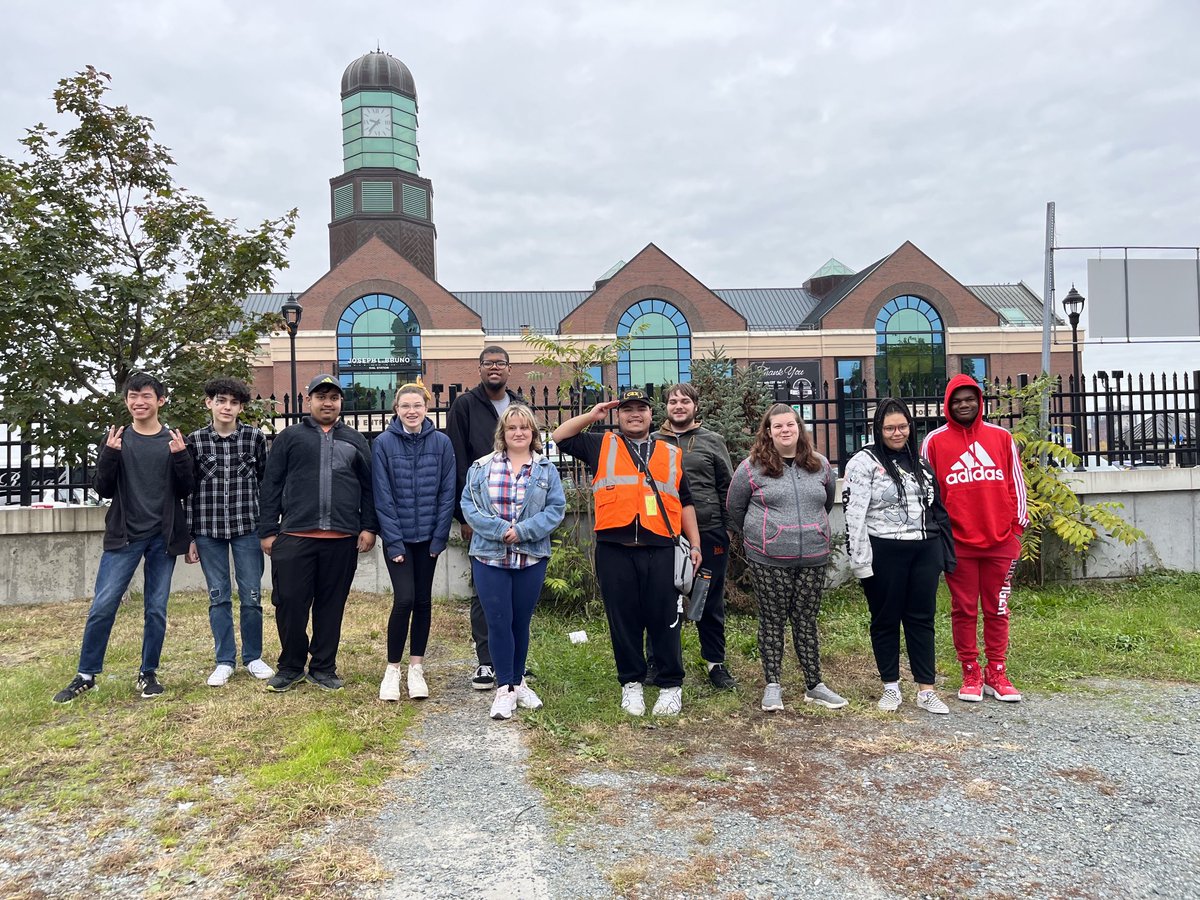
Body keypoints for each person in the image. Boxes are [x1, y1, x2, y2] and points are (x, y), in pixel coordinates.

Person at [552, 389, 703, 717]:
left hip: (661, 547)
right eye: (627, 410)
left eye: (641, 410)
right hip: (614, 550)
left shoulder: (669, 452)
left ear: (651, 415)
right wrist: (593, 416)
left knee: (665, 619)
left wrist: (695, 544)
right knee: (623, 621)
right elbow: (559, 437)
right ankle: (631, 685)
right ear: (618, 416)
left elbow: (685, 501)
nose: (635, 415)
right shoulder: (601, 444)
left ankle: (669, 685)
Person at [53, 373, 194, 703]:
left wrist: (181, 456)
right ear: (127, 400)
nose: (139, 401)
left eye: (146, 395)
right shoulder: (117, 438)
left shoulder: (172, 439)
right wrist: (110, 454)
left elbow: (186, 489)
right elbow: (102, 488)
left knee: (156, 609)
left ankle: (148, 674)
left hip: (162, 537)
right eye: (133, 395)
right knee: (103, 605)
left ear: (161, 400)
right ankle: (86, 674)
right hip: (125, 535)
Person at [258, 374, 377, 692]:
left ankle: (323, 667)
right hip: (295, 537)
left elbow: (369, 488)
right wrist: (268, 530)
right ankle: (291, 666)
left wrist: (368, 527)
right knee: (290, 604)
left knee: (331, 605)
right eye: (321, 396)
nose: (328, 402)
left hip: (341, 539)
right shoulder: (290, 438)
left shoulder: (355, 440)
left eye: (334, 397)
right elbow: (271, 486)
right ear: (308, 400)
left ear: (341, 403)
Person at [727, 403, 846, 712]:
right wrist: (764, 535)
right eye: (777, 426)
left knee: (806, 620)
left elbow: (828, 498)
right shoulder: (751, 467)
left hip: (814, 557)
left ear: (799, 428)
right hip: (768, 558)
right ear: (768, 431)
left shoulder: (819, 465)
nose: (785, 430)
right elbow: (735, 507)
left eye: (790, 425)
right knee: (772, 620)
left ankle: (814, 685)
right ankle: (773, 685)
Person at [842, 397, 955, 715]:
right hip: (884, 552)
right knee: (886, 620)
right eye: (889, 427)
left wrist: (942, 553)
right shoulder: (862, 463)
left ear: (910, 427)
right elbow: (854, 515)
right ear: (878, 429)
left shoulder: (919, 462)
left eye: (902, 426)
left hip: (923, 551)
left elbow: (935, 508)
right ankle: (890, 687)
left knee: (922, 619)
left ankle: (926, 689)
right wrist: (860, 562)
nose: (896, 433)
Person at [922, 374, 1028, 703]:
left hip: (1000, 541)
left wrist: (1016, 529)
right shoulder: (935, 442)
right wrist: (937, 536)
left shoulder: (1001, 437)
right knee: (964, 610)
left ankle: (997, 671)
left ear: (979, 402)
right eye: (957, 400)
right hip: (958, 546)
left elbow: (1016, 484)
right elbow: (928, 493)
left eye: (970, 399)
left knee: (997, 609)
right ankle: (971, 671)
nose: (964, 405)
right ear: (948, 405)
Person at [460, 404, 566, 720]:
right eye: (511, 428)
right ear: (502, 434)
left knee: (520, 621)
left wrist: (521, 531)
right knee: (497, 621)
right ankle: (504, 689)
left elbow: (555, 509)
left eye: (524, 428)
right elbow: (469, 506)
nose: (518, 433)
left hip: (530, 556)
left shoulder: (545, 469)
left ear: (533, 432)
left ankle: (518, 682)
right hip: (489, 557)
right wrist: (500, 530)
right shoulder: (481, 468)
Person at [185, 377, 274, 687]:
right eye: (221, 400)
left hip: (247, 528)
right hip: (208, 530)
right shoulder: (194, 441)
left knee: (251, 595)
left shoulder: (254, 439)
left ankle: (253, 657)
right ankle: (224, 660)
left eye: (233, 402)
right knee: (218, 595)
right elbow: (187, 491)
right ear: (209, 403)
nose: (227, 407)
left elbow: (266, 484)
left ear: (241, 408)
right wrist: (190, 536)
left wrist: (269, 528)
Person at [372, 383, 456, 702]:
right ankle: (392, 670)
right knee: (404, 600)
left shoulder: (442, 443)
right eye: (405, 405)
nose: (411, 411)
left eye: (417, 405)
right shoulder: (382, 444)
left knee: (423, 602)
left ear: (426, 407)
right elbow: (382, 496)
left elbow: (447, 493)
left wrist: (438, 538)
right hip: (400, 540)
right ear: (396, 409)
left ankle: (416, 668)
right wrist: (393, 542)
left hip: (428, 542)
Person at [446, 345, 521, 692]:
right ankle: (486, 662)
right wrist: (463, 515)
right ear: (479, 369)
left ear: (509, 369)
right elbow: (457, 459)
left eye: (500, 363)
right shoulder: (464, 405)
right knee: (484, 589)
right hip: (480, 512)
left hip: (519, 514)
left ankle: (515, 661)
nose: (495, 368)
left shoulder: (520, 405)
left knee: (517, 589)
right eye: (488, 364)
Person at [653, 383, 737, 690]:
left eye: (684, 401)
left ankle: (715, 664)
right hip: (664, 534)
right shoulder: (653, 441)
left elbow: (728, 487)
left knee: (708, 600)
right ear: (666, 407)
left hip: (709, 531)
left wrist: (727, 529)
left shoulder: (712, 441)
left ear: (695, 406)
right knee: (660, 600)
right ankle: (658, 661)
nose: (678, 406)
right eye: (673, 401)